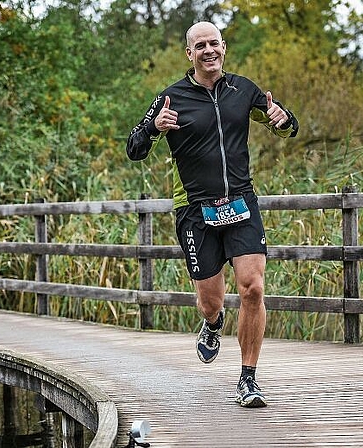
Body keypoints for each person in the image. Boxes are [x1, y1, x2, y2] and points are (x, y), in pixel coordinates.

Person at [126, 21, 299, 408]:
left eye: (214, 43)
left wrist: (284, 121)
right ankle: (212, 324)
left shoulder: (243, 90)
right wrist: (155, 128)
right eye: (200, 45)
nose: (209, 50)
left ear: (224, 47)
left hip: (241, 203)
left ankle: (248, 379)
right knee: (211, 301)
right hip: (195, 210)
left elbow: (285, 124)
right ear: (190, 54)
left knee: (252, 287)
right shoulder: (171, 98)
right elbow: (134, 148)